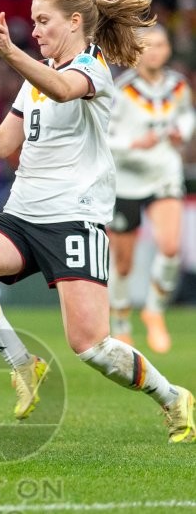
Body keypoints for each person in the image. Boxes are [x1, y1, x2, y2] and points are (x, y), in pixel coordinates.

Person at [0, 0, 195, 443]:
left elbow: (65, 90)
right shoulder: (36, 77)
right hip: (22, 215)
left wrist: (11, 53)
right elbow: (2, 142)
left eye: (43, 20)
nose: (35, 30)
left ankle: (173, 398)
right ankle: (23, 363)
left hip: (73, 219)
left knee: (92, 347)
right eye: (32, 22)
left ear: (73, 22)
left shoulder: (93, 68)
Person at [106, 24, 195, 353]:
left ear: (168, 49)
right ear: (137, 51)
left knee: (170, 247)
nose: (155, 51)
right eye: (149, 45)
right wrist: (133, 144)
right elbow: (104, 137)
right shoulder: (120, 90)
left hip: (163, 174)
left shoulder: (178, 85)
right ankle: (121, 320)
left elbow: (187, 116)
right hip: (126, 180)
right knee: (123, 262)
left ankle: (154, 312)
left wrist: (182, 133)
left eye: (161, 44)